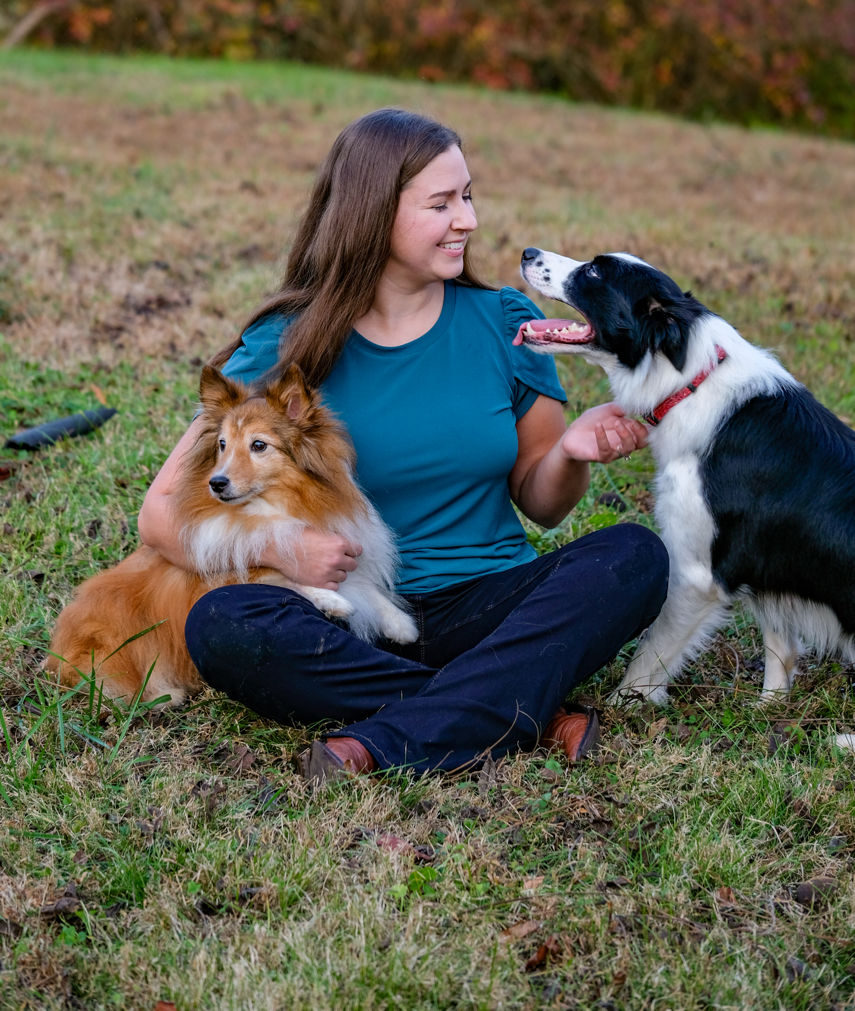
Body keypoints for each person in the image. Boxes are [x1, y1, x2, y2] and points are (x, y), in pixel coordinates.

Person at [138, 108, 668, 782]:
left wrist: (569, 452)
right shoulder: (286, 343)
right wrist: (280, 550)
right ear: (371, 213)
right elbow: (159, 516)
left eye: (467, 196)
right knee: (224, 621)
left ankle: (389, 735)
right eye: (441, 203)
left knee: (632, 555)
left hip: (487, 603)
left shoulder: (504, 321)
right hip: (348, 614)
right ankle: (512, 707)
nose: (468, 220)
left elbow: (543, 505)